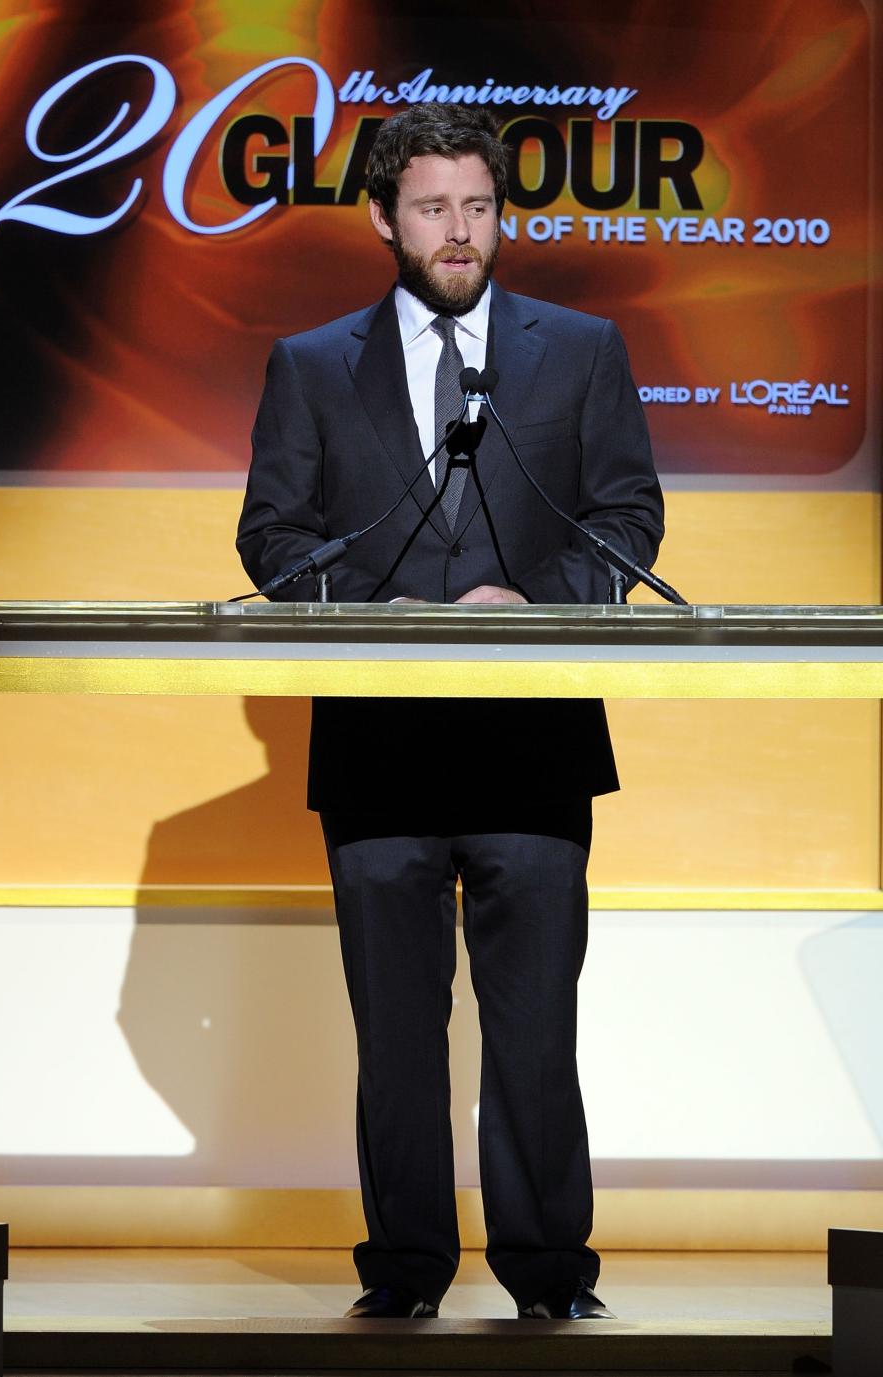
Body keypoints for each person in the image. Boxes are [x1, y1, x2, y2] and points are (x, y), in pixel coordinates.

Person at [237, 102, 664, 1321]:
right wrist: (423, 607)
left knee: (534, 1035)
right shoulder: (314, 365)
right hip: (381, 753)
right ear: (384, 219)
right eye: (433, 206)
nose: (460, 230)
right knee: (400, 1046)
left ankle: (547, 1277)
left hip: (531, 747)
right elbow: (272, 541)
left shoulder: (578, 350)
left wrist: (526, 602)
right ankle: (408, 1273)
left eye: (478, 205)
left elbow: (629, 521)